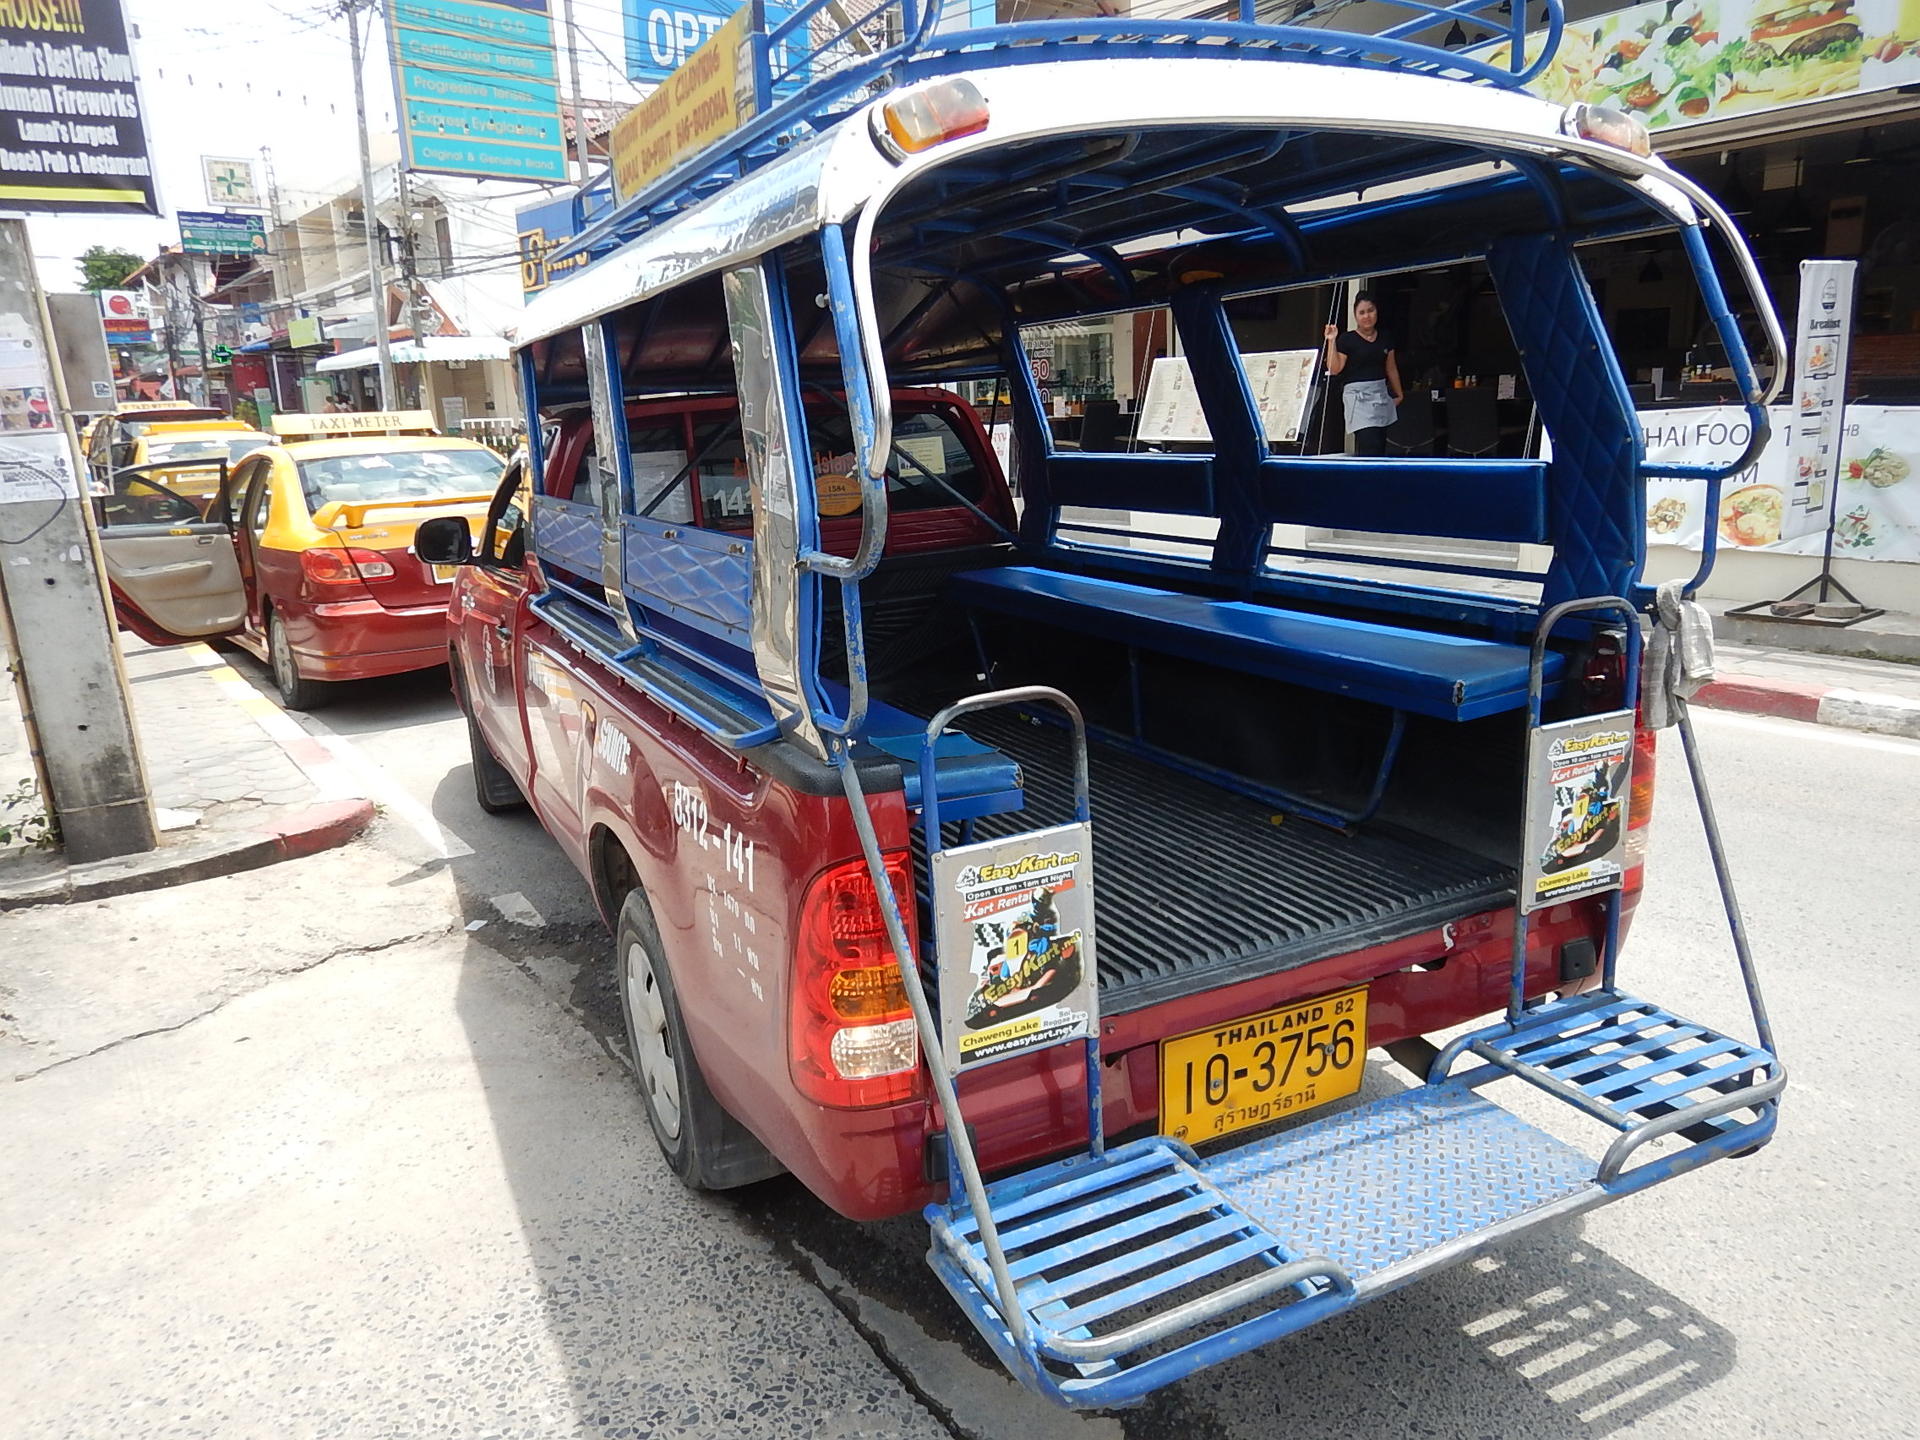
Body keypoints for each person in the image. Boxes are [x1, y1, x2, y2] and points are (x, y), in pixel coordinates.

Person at [1323, 293, 1403, 457]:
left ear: (1376, 311)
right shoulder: (1347, 339)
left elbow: (1391, 368)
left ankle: (1379, 480)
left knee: (1381, 445)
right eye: (1362, 312)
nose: (1367, 316)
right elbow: (1335, 368)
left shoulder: (1385, 337)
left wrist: (1399, 393)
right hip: (1358, 399)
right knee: (1369, 444)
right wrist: (1331, 340)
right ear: (1355, 315)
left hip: (1380, 394)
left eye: (1370, 310)